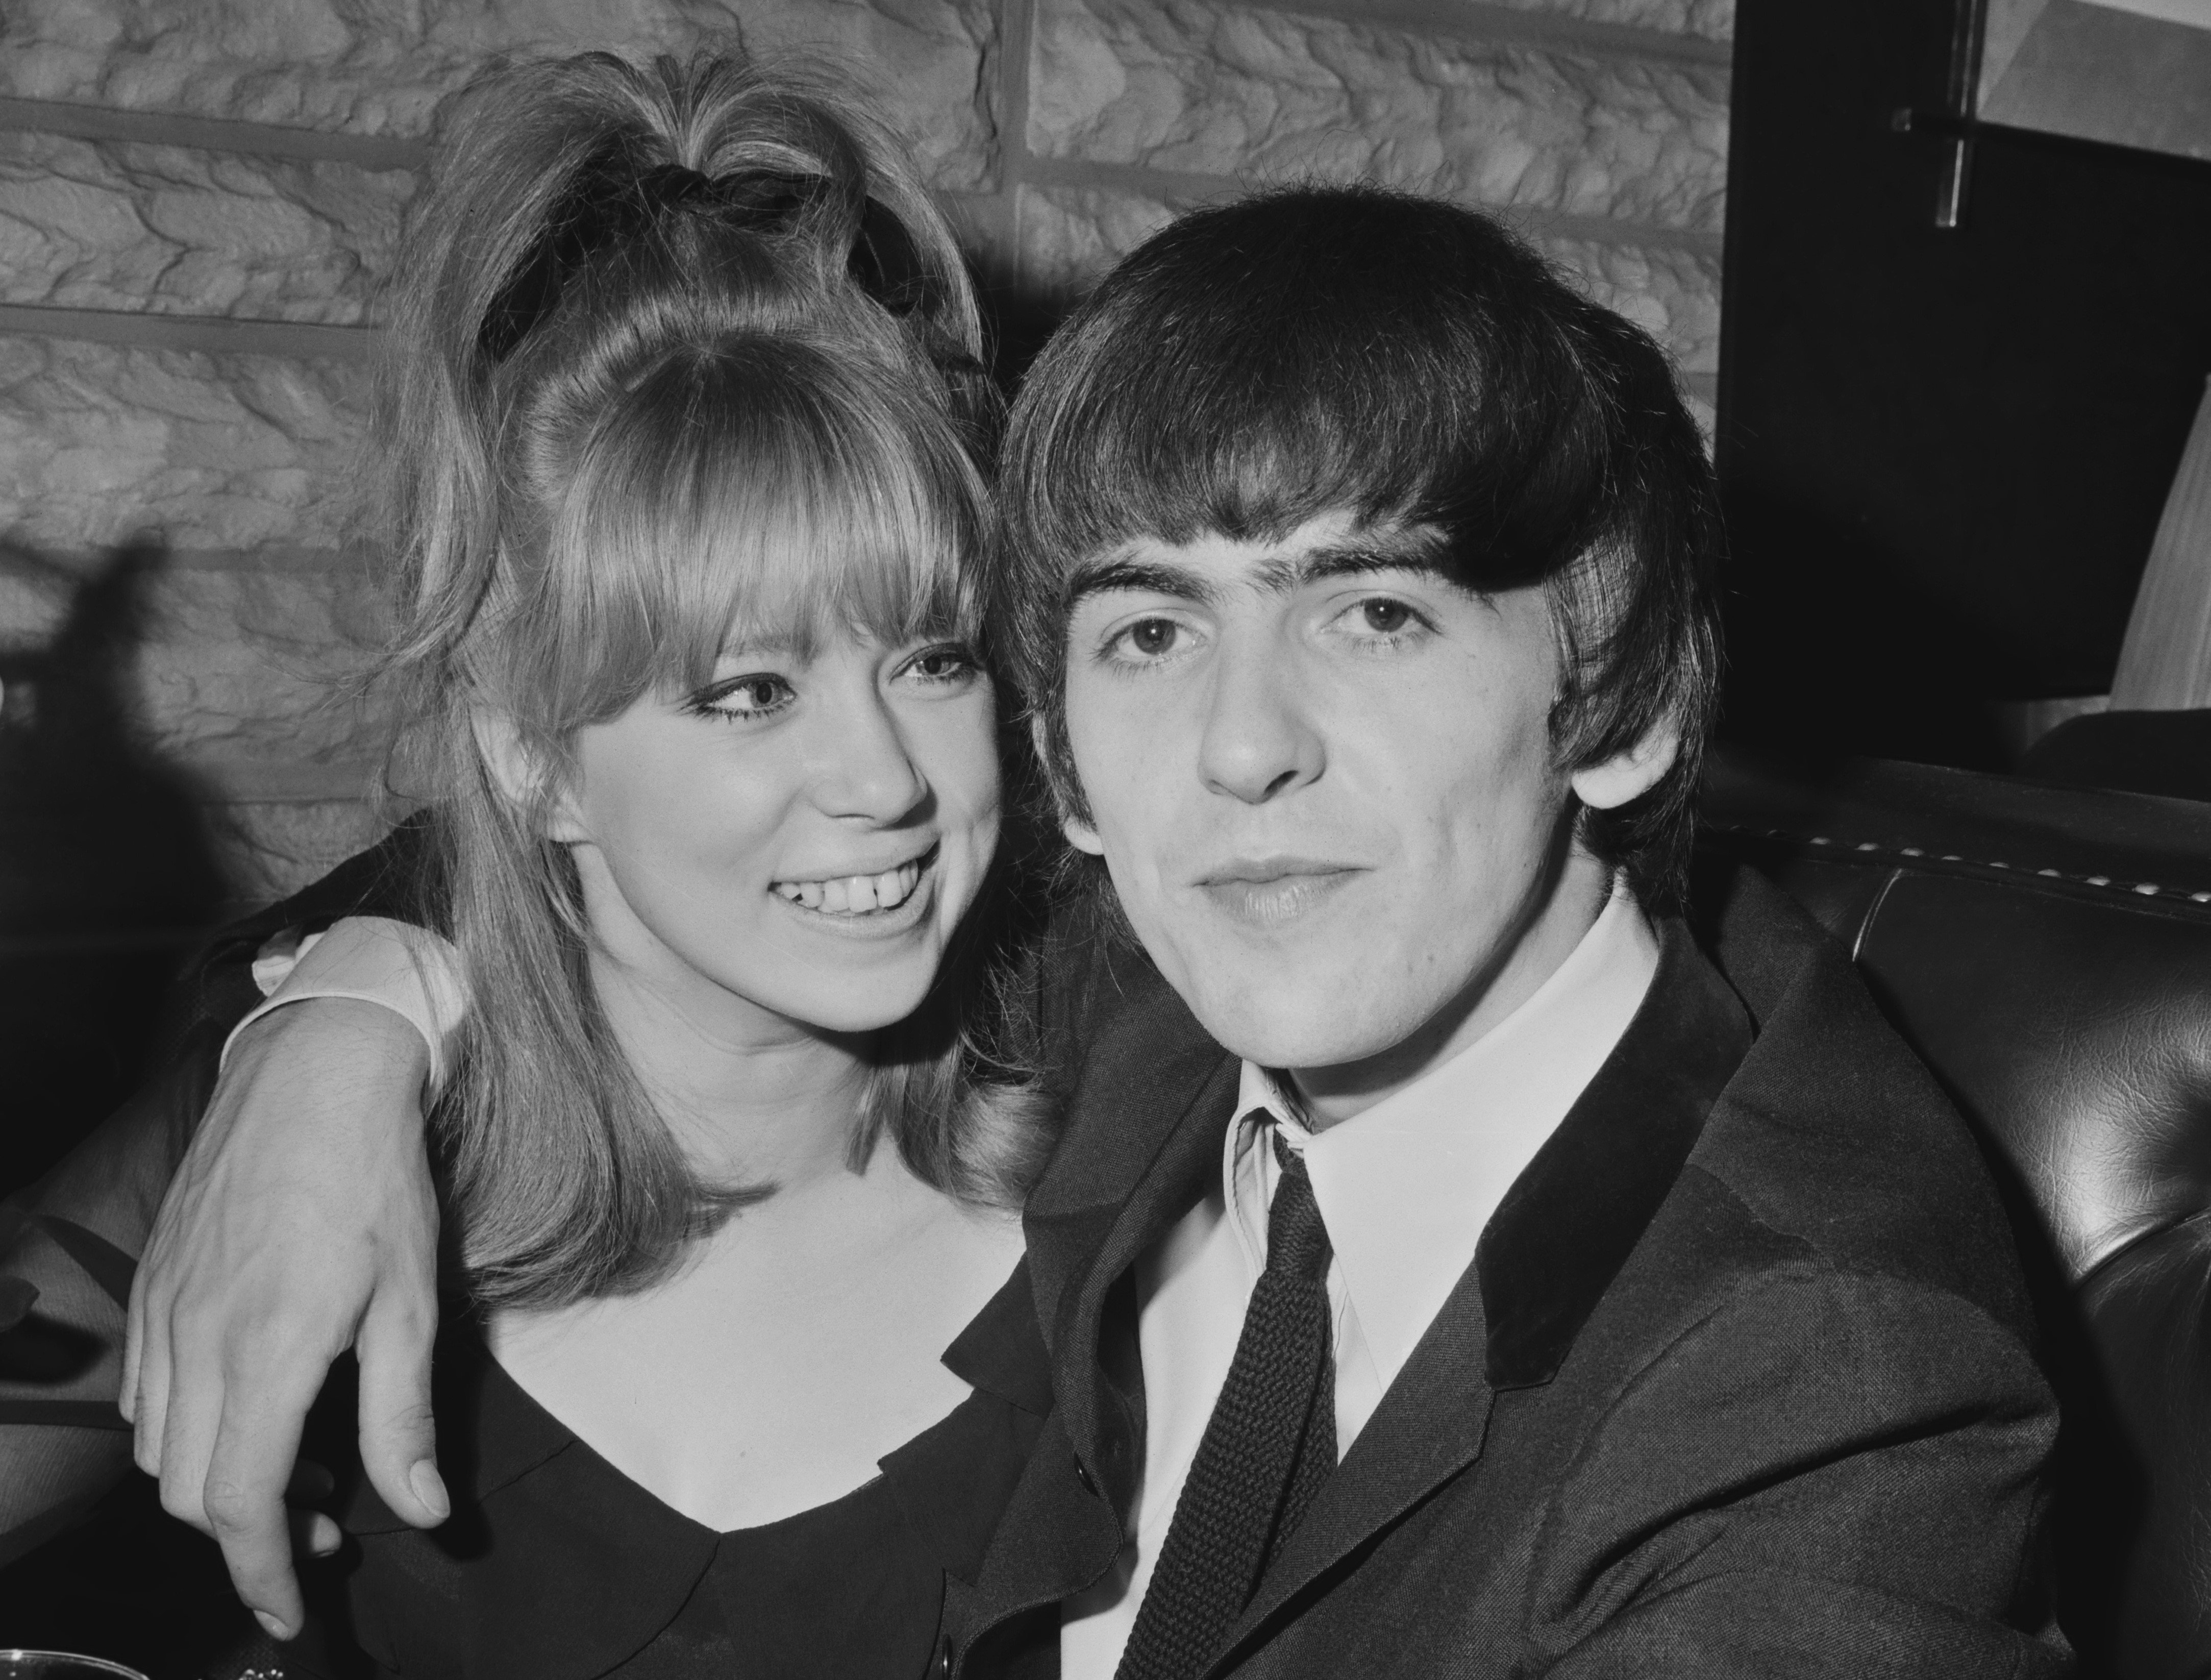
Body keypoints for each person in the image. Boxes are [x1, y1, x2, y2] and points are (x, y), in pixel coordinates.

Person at [116, 189, 2065, 1676]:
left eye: (1373, 611)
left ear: (1625, 698)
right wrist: (331, 1030)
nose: (1237, 745)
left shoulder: (1830, 1399)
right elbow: (562, 876)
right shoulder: (1149, 981)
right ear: (1067, 754)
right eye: (1148, 628)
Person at [0, 47, 1075, 1678]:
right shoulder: (321, 1173)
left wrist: (336, 1003)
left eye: (931, 658)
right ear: (532, 752)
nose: (886, 780)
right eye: (749, 688)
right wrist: (320, 1018)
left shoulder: (1140, 1151)